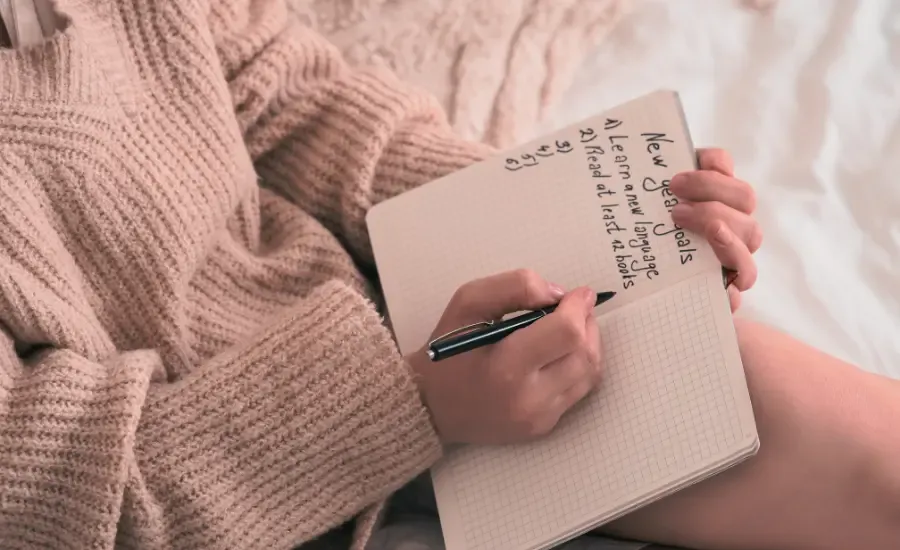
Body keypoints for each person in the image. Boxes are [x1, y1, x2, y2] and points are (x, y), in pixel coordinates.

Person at [0, 1, 896, 550]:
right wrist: (406, 404)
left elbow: (300, 106)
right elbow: (59, 501)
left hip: (413, 345)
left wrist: (592, 217)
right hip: (271, 478)